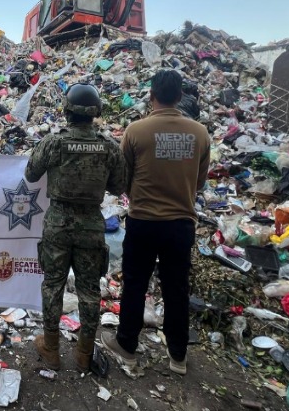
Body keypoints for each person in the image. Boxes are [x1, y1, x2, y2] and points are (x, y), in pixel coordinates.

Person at [101, 69, 210, 375]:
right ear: (179, 97)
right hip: (181, 225)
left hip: (144, 221)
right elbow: (199, 183)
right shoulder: (200, 133)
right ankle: (178, 357)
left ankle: (127, 345)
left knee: (135, 284)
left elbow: (122, 179)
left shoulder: (136, 131)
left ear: (151, 95)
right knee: (176, 288)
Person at [25, 84, 126, 374]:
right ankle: (83, 354)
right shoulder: (109, 147)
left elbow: (31, 174)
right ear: (96, 113)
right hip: (91, 226)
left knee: (53, 286)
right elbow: (118, 186)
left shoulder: (54, 142)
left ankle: (52, 350)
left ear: (66, 111)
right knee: (89, 290)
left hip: (57, 224)